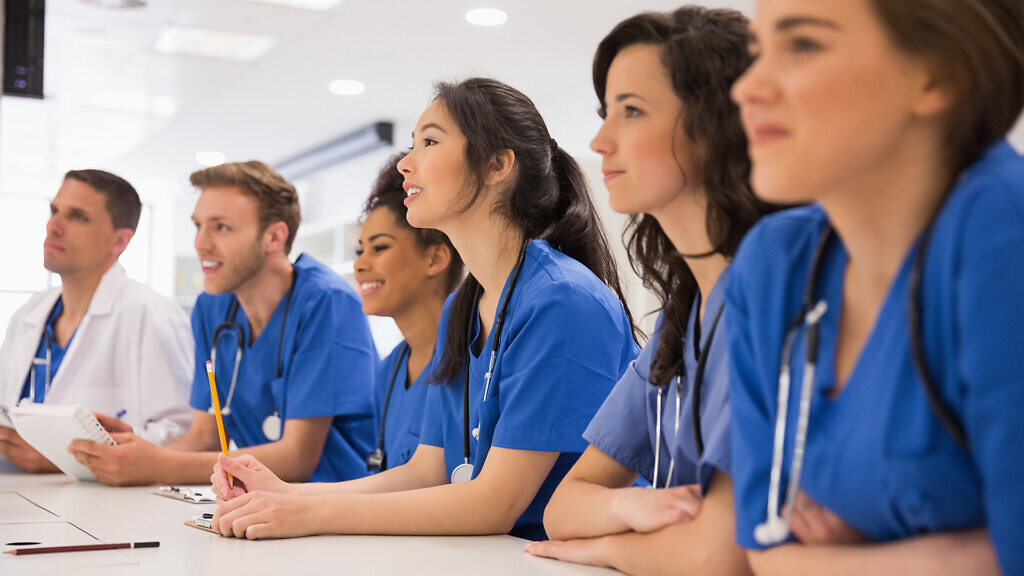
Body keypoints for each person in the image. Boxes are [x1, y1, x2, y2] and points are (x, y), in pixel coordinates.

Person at [207, 77, 639, 541]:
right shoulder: (463, 305)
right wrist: (287, 495)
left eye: (429, 142)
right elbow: (426, 471)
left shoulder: (563, 300)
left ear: (497, 165)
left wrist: (310, 516)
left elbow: (494, 505)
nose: (406, 165)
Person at [726, 0, 1024, 574]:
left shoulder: (1001, 229)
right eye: (758, 52)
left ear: (938, 74)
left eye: (804, 45)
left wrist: (860, 557)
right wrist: (958, 555)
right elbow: (767, 556)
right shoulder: (773, 267)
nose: (746, 88)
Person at [527, 7, 773, 574]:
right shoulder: (680, 318)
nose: (600, 140)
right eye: (605, 112)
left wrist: (611, 544)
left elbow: (719, 554)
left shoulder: (767, 298)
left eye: (631, 111)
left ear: (717, 126)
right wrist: (634, 504)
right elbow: (564, 507)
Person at [68, 161, 378, 486]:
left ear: (274, 236)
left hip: (338, 508)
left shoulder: (326, 301)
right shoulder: (212, 307)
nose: (200, 243)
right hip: (263, 504)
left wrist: (157, 465)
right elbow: (204, 435)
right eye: (198, 225)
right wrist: (133, 457)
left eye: (221, 228)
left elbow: (297, 457)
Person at [0, 170, 192, 472]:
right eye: (54, 211)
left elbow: (183, 434)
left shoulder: (153, 316)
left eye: (78, 217)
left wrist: (61, 455)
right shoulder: (27, 315)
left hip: (102, 509)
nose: (54, 226)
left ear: (120, 241)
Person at [356, 152, 464, 472]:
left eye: (380, 248)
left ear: (434, 259)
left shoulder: (469, 361)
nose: (360, 264)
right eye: (360, 250)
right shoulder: (388, 372)